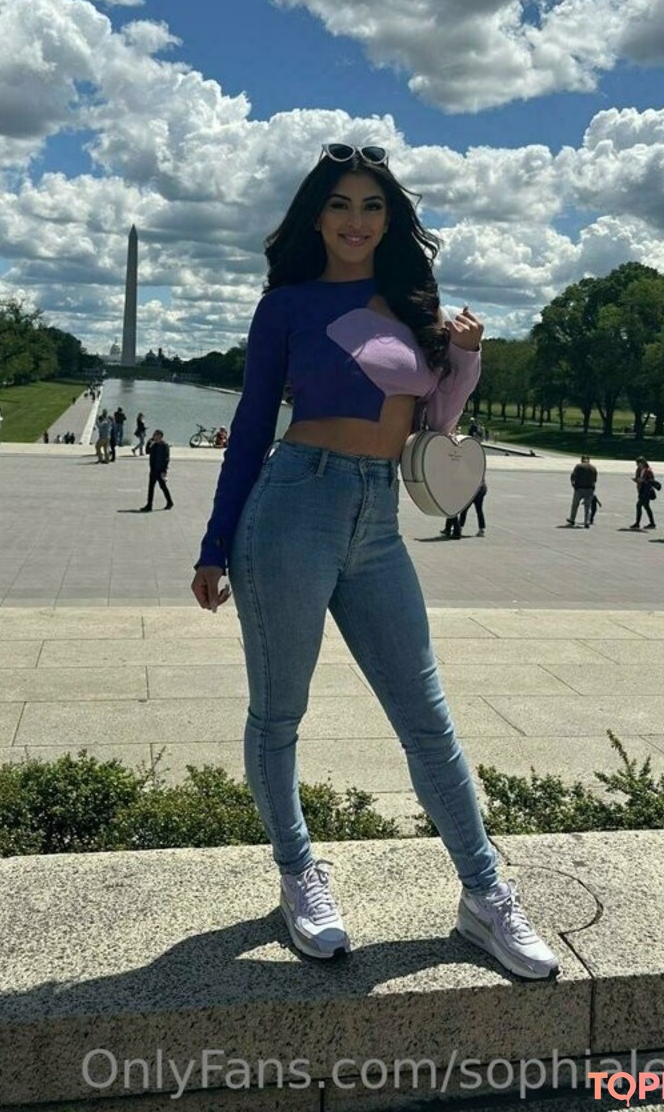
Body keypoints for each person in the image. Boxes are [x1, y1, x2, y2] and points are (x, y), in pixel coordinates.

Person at [190, 142, 557, 981]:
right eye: (340, 204)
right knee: (279, 713)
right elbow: (251, 427)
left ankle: (485, 894)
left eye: (372, 206)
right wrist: (213, 545)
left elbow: (436, 422)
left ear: (391, 220)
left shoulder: (413, 306)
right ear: (316, 217)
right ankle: (298, 872)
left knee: (427, 717)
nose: (356, 221)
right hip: (294, 505)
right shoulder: (287, 306)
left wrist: (467, 355)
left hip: (379, 519)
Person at [140, 429, 174, 511]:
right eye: (154, 435)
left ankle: (170, 502)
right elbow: (147, 451)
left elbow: (166, 458)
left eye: (156, 435)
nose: (154, 436)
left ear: (160, 436)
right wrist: (149, 442)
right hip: (153, 469)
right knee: (151, 487)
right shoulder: (154, 445)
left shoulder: (164, 445)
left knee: (163, 487)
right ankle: (149, 505)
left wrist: (164, 470)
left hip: (160, 470)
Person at [567, 456, 597, 528]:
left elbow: (573, 476)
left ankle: (572, 519)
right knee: (588, 507)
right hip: (589, 489)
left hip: (579, 488)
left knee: (575, 505)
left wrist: (573, 484)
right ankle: (587, 522)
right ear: (589, 460)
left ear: (582, 460)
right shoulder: (593, 468)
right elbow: (595, 480)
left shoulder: (578, 466)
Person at [630, 457, 658, 530]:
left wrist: (643, 481)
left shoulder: (648, 471)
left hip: (647, 491)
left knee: (639, 505)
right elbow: (638, 478)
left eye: (638, 463)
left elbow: (652, 482)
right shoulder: (639, 470)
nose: (637, 465)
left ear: (643, 463)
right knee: (646, 506)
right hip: (641, 490)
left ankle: (637, 523)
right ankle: (652, 523)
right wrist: (636, 480)